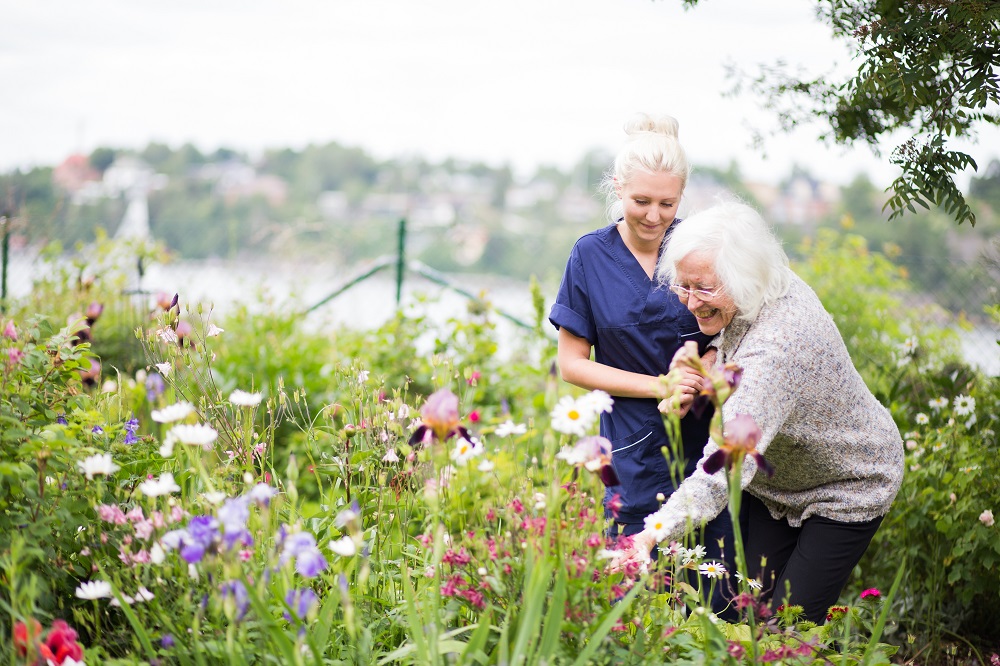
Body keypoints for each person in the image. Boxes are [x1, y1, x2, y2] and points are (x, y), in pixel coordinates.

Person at [617, 200, 904, 623]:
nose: (691, 303)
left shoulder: (778, 352)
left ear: (743, 278)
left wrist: (648, 536)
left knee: (788, 625)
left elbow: (722, 471)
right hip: (778, 484)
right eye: (683, 286)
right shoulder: (763, 281)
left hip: (850, 481)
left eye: (704, 288)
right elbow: (736, 333)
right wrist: (708, 355)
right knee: (745, 613)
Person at [548, 113, 735, 615]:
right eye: (641, 202)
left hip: (708, 450)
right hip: (630, 453)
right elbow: (571, 364)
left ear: (682, 198)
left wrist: (708, 368)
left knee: (716, 603)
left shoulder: (700, 250)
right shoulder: (588, 256)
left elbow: (736, 331)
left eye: (667, 204)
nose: (654, 216)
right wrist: (660, 386)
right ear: (617, 189)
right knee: (635, 602)